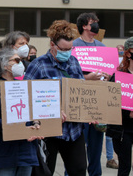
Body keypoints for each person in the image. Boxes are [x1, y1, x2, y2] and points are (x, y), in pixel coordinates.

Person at [24, 20, 87, 175]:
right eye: (63, 49)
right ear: (52, 45)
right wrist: (51, 110)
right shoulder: (38, 65)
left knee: (79, 169)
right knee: (46, 171)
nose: (67, 52)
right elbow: (26, 96)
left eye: (70, 49)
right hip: (48, 132)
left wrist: (89, 111)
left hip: (74, 130)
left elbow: (82, 91)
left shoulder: (74, 62)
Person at [0, 48, 41, 176]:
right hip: (3, 155)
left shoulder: (25, 87)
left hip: (26, 154)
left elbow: (35, 114)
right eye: (16, 60)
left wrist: (37, 124)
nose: (20, 63)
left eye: (21, 60)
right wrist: (19, 127)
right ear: (4, 64)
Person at [74, 12, 114, 176]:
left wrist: (109, 76)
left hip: (97, 103)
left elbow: (109, 73)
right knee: (76, 147)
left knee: (96, 147)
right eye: (93, 22)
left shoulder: (102, 48)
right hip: (78, 102)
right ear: (84, 26)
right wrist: (87, 78)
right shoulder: (73, 46)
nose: (96, 25)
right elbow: (69, 77)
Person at [107, 36, 133, 176]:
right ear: (128, 53)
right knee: (124, 168)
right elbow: (110, 104)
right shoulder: (119, 77)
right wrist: (128, 114)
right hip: (124, 131)